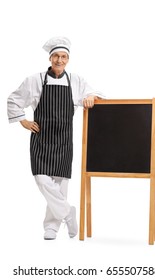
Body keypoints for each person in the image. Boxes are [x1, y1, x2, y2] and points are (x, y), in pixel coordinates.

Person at [7, 36, 103, 240]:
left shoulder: (76, 80)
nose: (60, 60)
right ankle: (68, 213)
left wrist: (90, 97)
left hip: (64, 141)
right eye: (56, 56)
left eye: (64, 57)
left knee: (60, 185)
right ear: (50, 58)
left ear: (68, 59)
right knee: (42, 180)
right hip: (41, 139)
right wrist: (23, 121)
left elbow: (95, 94)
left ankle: (51, 227)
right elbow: (14, 100)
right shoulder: (35, 79)